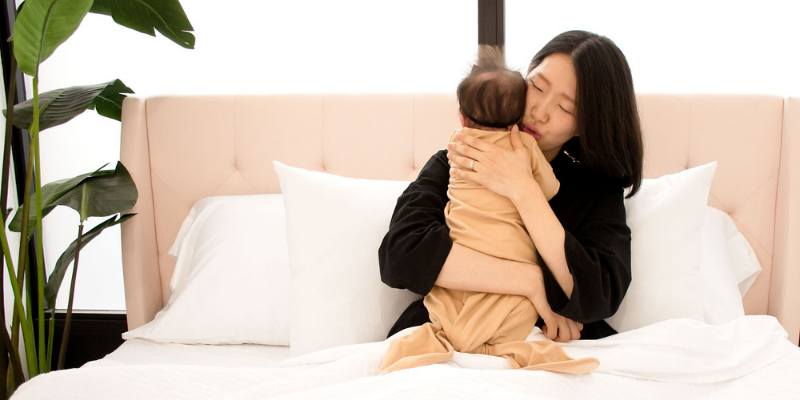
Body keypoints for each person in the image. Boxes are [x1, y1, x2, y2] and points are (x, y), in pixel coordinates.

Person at [378, 30, 644, 347]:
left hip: (549, 344)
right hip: (446, 331)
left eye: (566, 108)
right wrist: (530, 281)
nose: (539, 111)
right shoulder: (460, 158)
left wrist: (523, 189)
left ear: (586, 122)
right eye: (538, 86)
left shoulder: (596, 188)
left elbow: (598, 290)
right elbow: (401, 256)